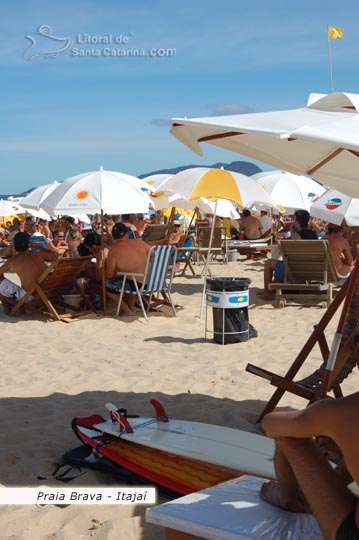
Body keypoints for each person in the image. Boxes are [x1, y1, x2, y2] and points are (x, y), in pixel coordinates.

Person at [260, 392, 359, 540]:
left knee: (287, 433)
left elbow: (269, 423)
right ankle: (308, 497)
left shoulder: (345, 409)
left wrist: (325, 425)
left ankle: (286, 495)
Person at [259, 209, 317, 300]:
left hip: (295, 270)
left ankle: (267, 292)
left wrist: (292, 232)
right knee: (279, 270)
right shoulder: (314, 235)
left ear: (297, 221)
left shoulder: (297, 235)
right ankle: (274, 286)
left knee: (268, 263)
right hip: (310, 270)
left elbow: (286, 254)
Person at [105, 223, 151, 315]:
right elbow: (155, 255)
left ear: (113, 237)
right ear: (126, 234)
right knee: (129, 278)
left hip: (137, 285)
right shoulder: (141, 243)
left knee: (108, 285)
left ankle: (125, 310)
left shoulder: (114, 250)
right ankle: (131, 308)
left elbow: (109, 275)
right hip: (153, 282)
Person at [0, 232, 58, 301]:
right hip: (45, 293)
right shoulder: (39, 254)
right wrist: (39, 246)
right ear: (29, 244)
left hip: (28, 297)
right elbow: (55, 255)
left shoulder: (12, 261)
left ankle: (8, 305)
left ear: (14, 245)